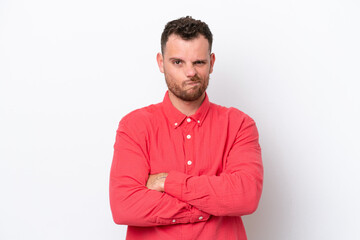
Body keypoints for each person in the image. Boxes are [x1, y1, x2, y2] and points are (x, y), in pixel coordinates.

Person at [109, 16, 263, 240]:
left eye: (198, 62)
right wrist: (210, 205)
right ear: (161, 63)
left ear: (211, 62)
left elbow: (245, 196)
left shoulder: (239, 125)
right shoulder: (134, 126)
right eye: (178, 62)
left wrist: (166, 182)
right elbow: (124, 205)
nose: (190, 72)